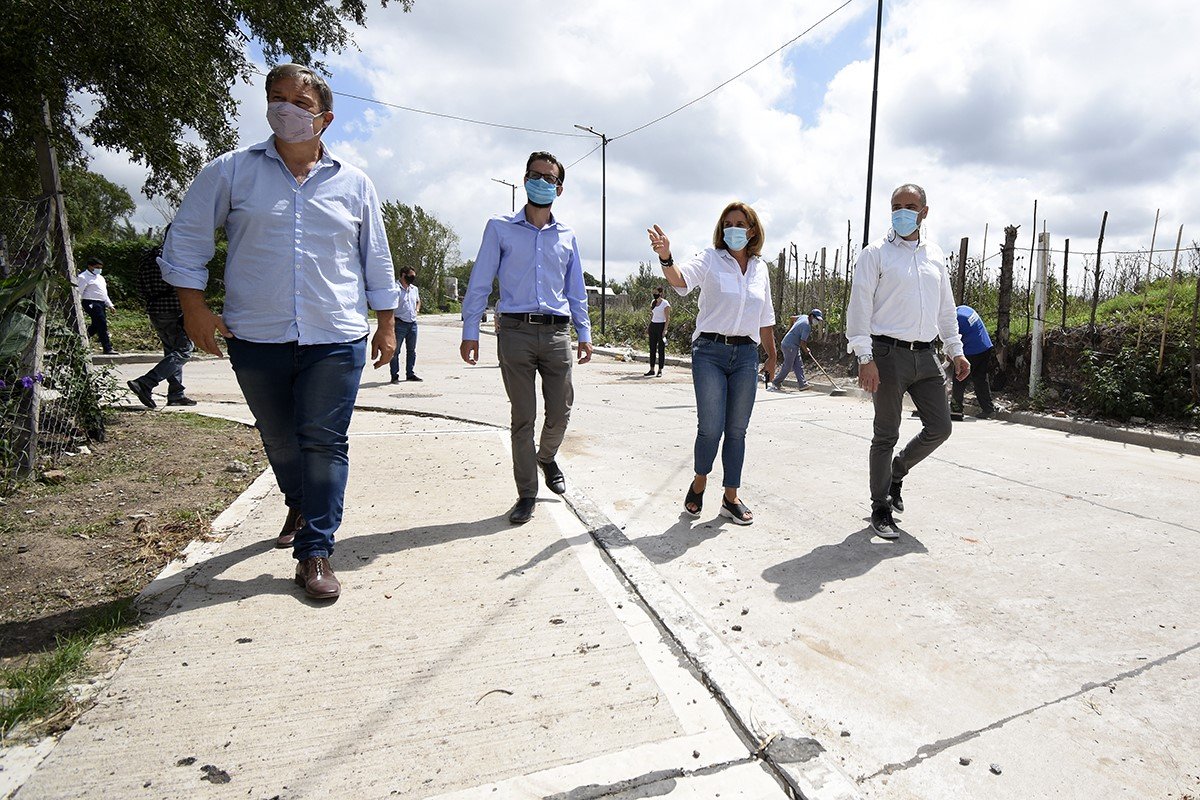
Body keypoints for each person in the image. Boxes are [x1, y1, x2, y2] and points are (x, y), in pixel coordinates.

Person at [160, 63, 398, 600]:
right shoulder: (231, 171)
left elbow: (375, 259)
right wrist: (193, 307)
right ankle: (299, 497)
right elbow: (189, 237)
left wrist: (386, 325)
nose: (284, 109)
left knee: (324, 441)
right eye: (276, 98)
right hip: (256, 335)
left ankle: (315, 550)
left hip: (335, 336)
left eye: (299, 102)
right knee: (280, 438)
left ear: (326, 119)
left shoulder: (355, 183)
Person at [460, 151, 592, 526]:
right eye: (534, 175)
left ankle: (547, 457)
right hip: (514, 332)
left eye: (548, 178)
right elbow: (481, 281)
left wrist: (584, 332)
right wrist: (471, 330)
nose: (540, 181)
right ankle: (527, 493)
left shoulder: (567, 236)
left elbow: (576, 290)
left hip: (556, 333)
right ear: (524, 180)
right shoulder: (499, 227)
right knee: (523, 417)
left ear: (559, 188)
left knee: (561, 410)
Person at [846, 183, 969, 539]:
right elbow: (860, 307)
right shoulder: (876, 254)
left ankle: (896, 472)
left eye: (910, 206)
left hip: (926, 355)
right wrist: (864, 357)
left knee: (941, 428)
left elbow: (946, 308)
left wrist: (955, 348)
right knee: (886, 433)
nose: (902, 211)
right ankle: (880, 507)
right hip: (886, 355)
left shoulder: (935, 255)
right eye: (896, 206)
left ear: (924, 212)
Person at [647, 201, 777, 526]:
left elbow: (766, 318)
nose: (735, 228)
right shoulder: (709, 259)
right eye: (729, 223)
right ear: (722, 229)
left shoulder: (761, 269)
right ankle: (700, 481)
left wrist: (773, 356)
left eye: (741, 223)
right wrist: (666, 257)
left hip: (747, 355)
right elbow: (679, 281)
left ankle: (730, 497)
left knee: (737, 430)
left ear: (752, 230)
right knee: (711, 428)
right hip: (710, 352)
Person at [126, 226, 197, 409]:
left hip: (155, 311)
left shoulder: (148, 257)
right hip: (174, 310)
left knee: (171, 351)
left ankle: (176, 393)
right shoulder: (176, 258)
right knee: (184, 350)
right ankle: (146, 382)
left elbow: (139, 287)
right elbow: (187, 285)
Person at [952, 304, 996, 420]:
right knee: (980, 379)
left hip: (972, 350)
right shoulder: (964, 309)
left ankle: (956, 411)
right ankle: (988, 409)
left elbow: (953, 343)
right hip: (985, 347)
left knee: (959, 378)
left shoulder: (955, 320)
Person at [769, 308, 823, 391]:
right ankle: (776, 382)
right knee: (788, 366)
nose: (816, 322)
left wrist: (790, 329)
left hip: (792, 344)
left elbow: (792, 318)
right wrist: (806, 350)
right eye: (816, 319)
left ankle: (802, 384)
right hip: (790, 345)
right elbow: (802, 342)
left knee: (798, 364)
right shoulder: (807, 326)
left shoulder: (803, 317)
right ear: (811, 316)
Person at [76, 257, 117, 354]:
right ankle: (107, 348)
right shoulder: (83, 277)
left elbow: (103, 293)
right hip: (90, 302)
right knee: (102, 323)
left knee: (96, 325)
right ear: (90, 266)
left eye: (100, 267)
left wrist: (110, 305)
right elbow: (78, 292)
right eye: (96, 267)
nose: (99, 269)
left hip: (101, 303)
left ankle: (79, 341)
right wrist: (77, 305)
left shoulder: (100, 278)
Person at [389, 266, 421, 383]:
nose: (412, 279)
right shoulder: (395, 288)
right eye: (410, 276)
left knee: (411, 350)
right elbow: (390, 306)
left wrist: (416, 309)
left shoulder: (414, 289)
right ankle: (394, 375)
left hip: (412, 324)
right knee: (395, 351)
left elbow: (418, 301)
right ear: (403, 275)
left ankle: (410, 373)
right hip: (399, 323)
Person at [644, 285, 670, 377]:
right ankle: (651, 369)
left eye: (656, 293)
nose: (654, 294)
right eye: (653, 293)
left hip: (661, 325)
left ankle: (660, 370)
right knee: (652, 348)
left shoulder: (665, 303)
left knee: (661, 349)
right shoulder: (653, 302)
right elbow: (652, 315)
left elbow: (667, 318)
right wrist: (648, 327)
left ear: (660, 293)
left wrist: (665, 330)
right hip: (653, 325)